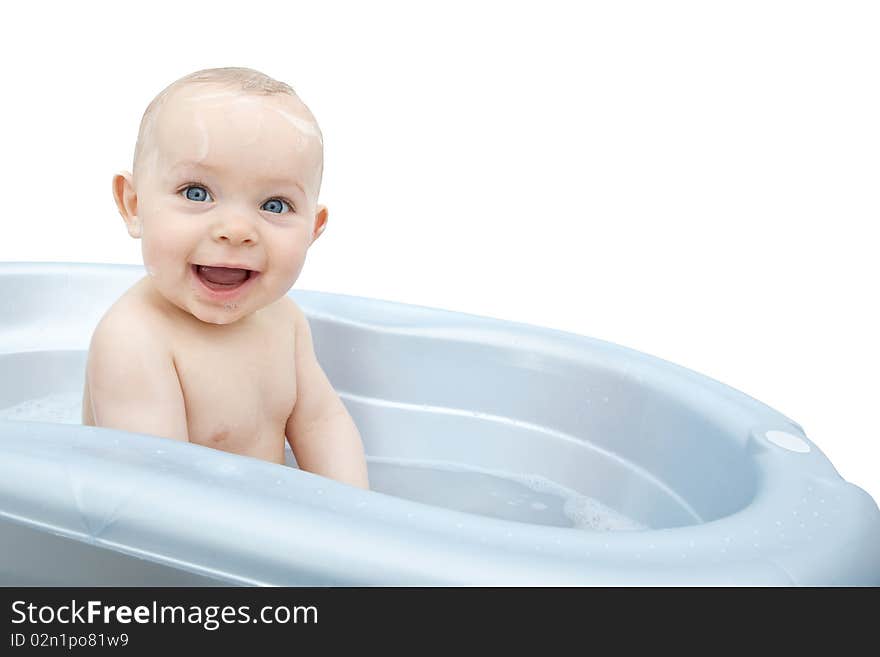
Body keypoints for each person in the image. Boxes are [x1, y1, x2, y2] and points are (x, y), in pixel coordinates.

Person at [82, 67, 370, 490]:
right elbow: (154, 497)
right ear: (134, 205)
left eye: (274, 205)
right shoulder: (135, 339)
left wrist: (357, 515)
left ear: (313, 228)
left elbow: (321, 423)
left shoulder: (283, 319)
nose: (236, 229)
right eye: (197, 193)